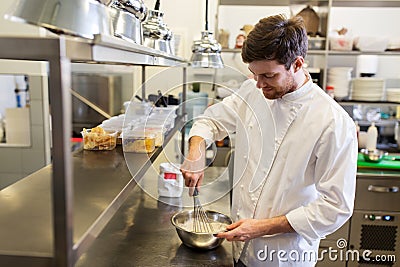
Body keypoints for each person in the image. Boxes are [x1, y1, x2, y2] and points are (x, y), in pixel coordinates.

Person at [180, 14, 357, 266]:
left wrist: (261, 228)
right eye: (254, 74)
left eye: (269, 76)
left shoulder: (333, 123)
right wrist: (195, 153)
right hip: (238, 248)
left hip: (282, 256)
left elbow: (335, 207)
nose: (260, 84)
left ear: (297, 64)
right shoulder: (253, 91)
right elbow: (211, 122)